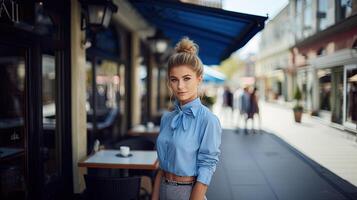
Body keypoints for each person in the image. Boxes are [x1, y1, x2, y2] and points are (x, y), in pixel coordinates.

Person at [152, 37, 222, 200]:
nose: (180, 86)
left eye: (186, 78)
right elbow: (161, 168)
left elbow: (206, 168)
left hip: (188, 193)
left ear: (199, 79)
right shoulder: (166, 119)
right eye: (174, 79)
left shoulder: (208, 120)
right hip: (162, 188)